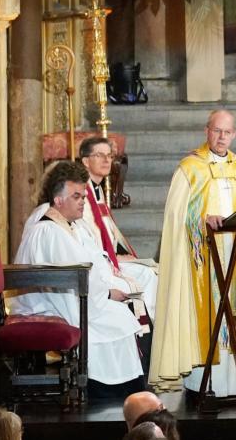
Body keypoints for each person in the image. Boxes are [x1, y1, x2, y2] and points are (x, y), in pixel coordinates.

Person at [150, 109, 236, 396]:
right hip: (202, 254)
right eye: (217, 131)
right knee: (208, 314)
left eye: (227, 132)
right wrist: (200, 219)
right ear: (206, 131)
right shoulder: (190, 167)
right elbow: (176, 215)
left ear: (235, 134)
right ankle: (204, 384)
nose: (222, 137)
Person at [11, 162, 144, 391]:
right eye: (76, 196)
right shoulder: (49, 231)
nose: (83, 201)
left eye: (83, 195)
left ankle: (125, 387)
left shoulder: (65, 224)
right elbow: (76, 274)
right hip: (49, 302)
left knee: (117, 312)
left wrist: (107, 289)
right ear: (58, 199)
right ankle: (106, 388)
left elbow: (86, 266)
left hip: (63, 296)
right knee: (116, 316)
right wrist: (108, 293)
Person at [77, 137, 158, 320]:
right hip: (98, 264)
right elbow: (87, 237)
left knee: (150, 270)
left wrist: (117, 253)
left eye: (109, 155)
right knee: (147, 275)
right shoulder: (82, 193)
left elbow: (108, 231)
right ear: (85, 161)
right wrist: (112, 257)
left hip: (108, 259)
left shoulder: (96, 190)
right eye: (100, 155)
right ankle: (147, 335)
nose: (107, 160)